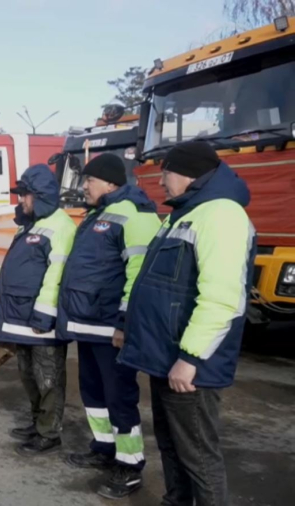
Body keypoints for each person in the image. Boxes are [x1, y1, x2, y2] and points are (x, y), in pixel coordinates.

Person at [119, 141, 256, 506]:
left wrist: (191, 357)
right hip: (167, 355)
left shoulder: (221, 215)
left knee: (198, 457)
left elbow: (223, 298)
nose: (161, 181)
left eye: (165, 173)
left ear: (187, 173)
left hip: (188, 364)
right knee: (172, 446)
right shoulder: (187, 212)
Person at [56, 154, 161, 499]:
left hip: (110, 328)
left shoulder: (134, 214)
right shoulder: (96, 215)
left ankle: (129, 465)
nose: (84, 186)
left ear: (111, 183)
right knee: (93, 392)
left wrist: (124, 323)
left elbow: (140, 275)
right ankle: (103, 448)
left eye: (90, 180)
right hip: (88, 325)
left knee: (119, 398)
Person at [0, 164, 76, 456]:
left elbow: (57, 273)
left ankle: (49, 432)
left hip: (41, 318)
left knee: (47, 376)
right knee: (28, 373)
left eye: (24, 195)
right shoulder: (32, 223)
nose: (21, 201)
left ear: (39, 195)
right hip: (21, 316)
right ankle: (38, 421)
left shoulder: (60, 226)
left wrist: (44, 313)